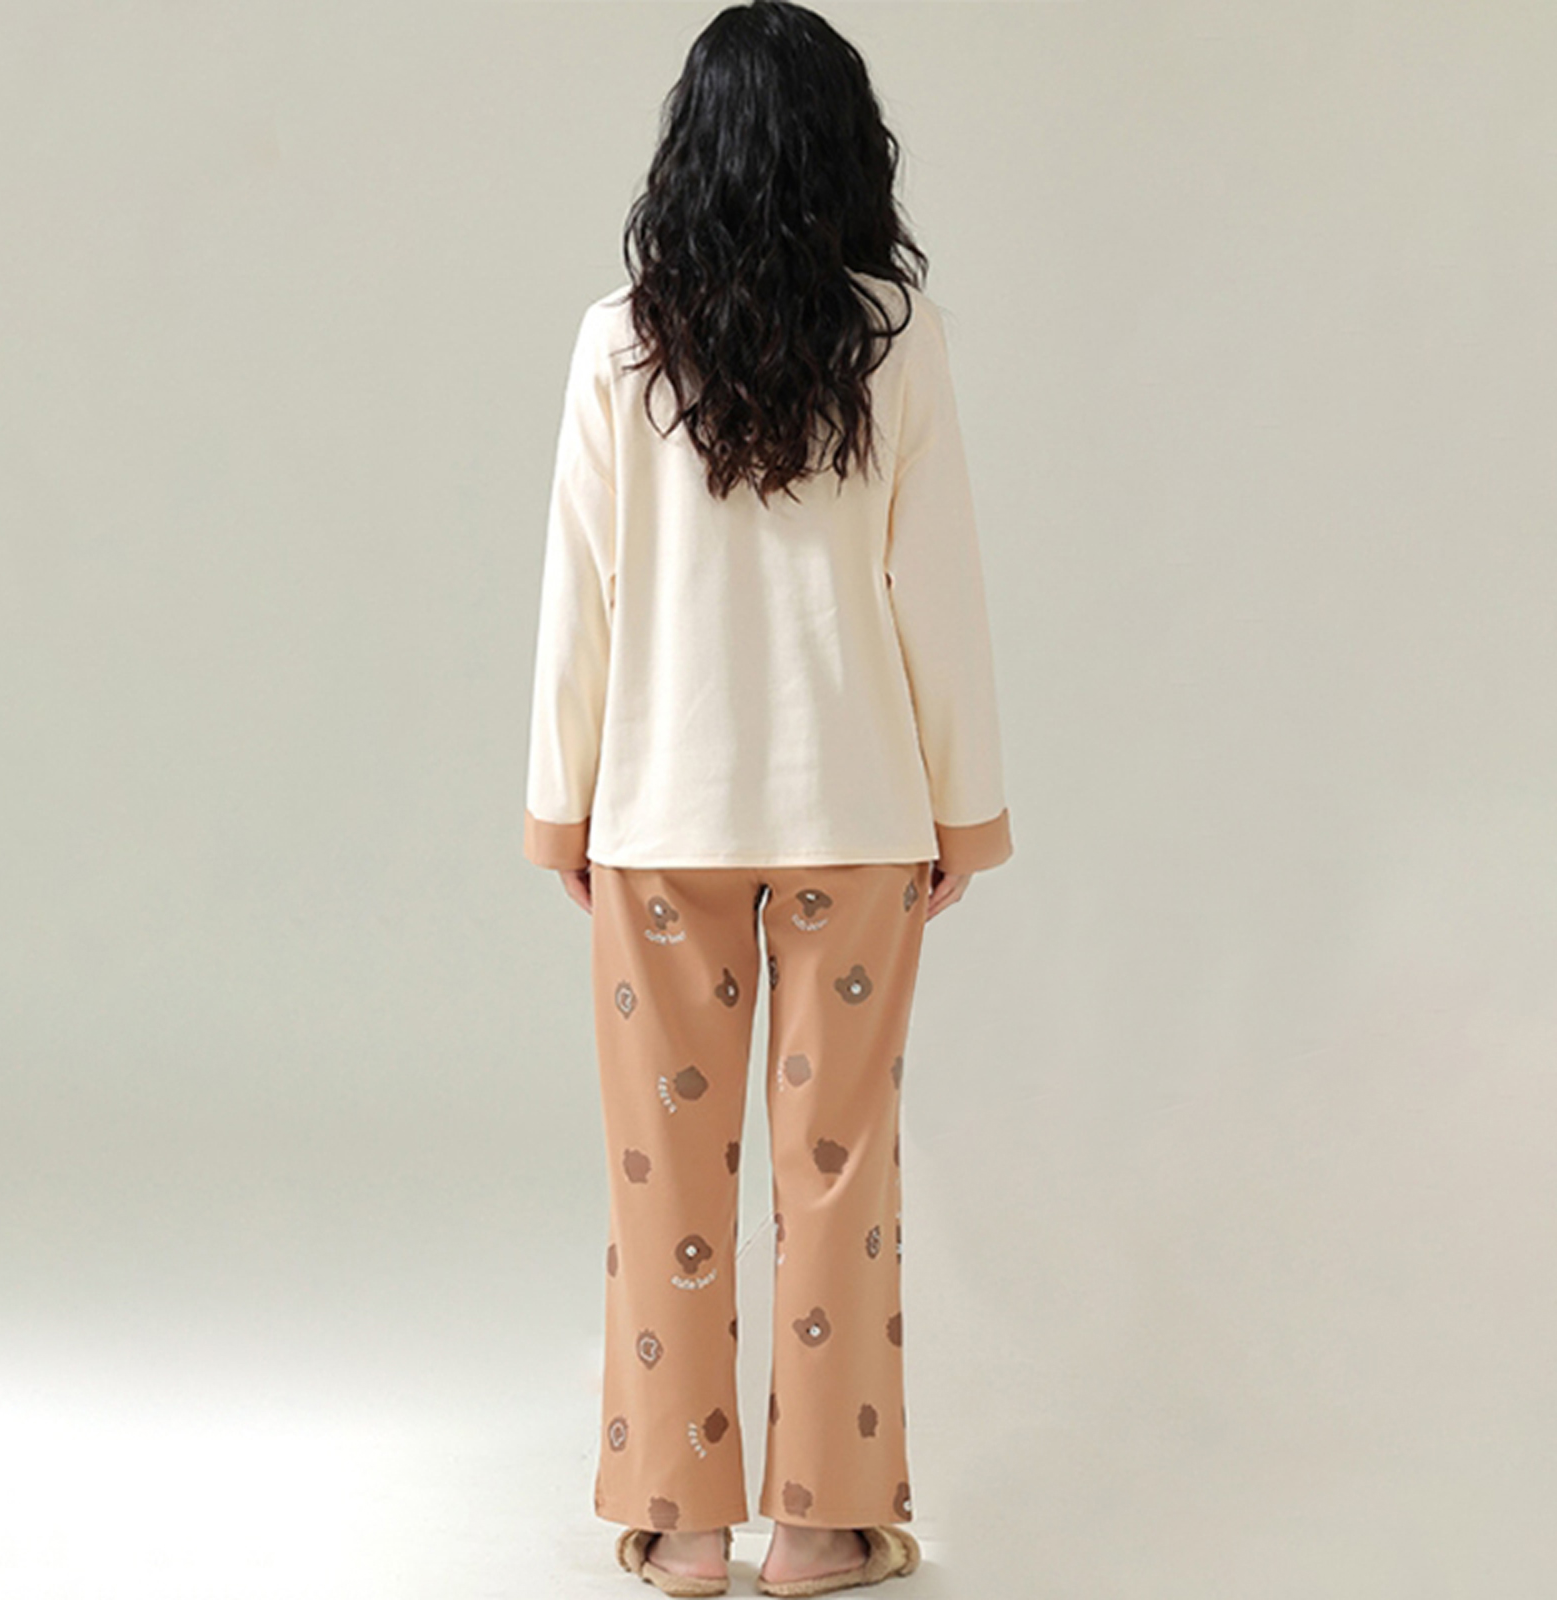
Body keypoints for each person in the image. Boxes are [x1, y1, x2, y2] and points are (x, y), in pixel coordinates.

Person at [521, 3, 1011, 1592]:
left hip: (660, 818)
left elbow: (580, 597)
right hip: (856, 812)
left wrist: (560, 804)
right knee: (837, 1172)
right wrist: (962, 808)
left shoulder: (619, 341)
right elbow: (938, 592)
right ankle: (818, 1524)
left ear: (692, 153)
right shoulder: (895, 341)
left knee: (662, 1177)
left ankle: (680, 1528)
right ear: (847, 154)